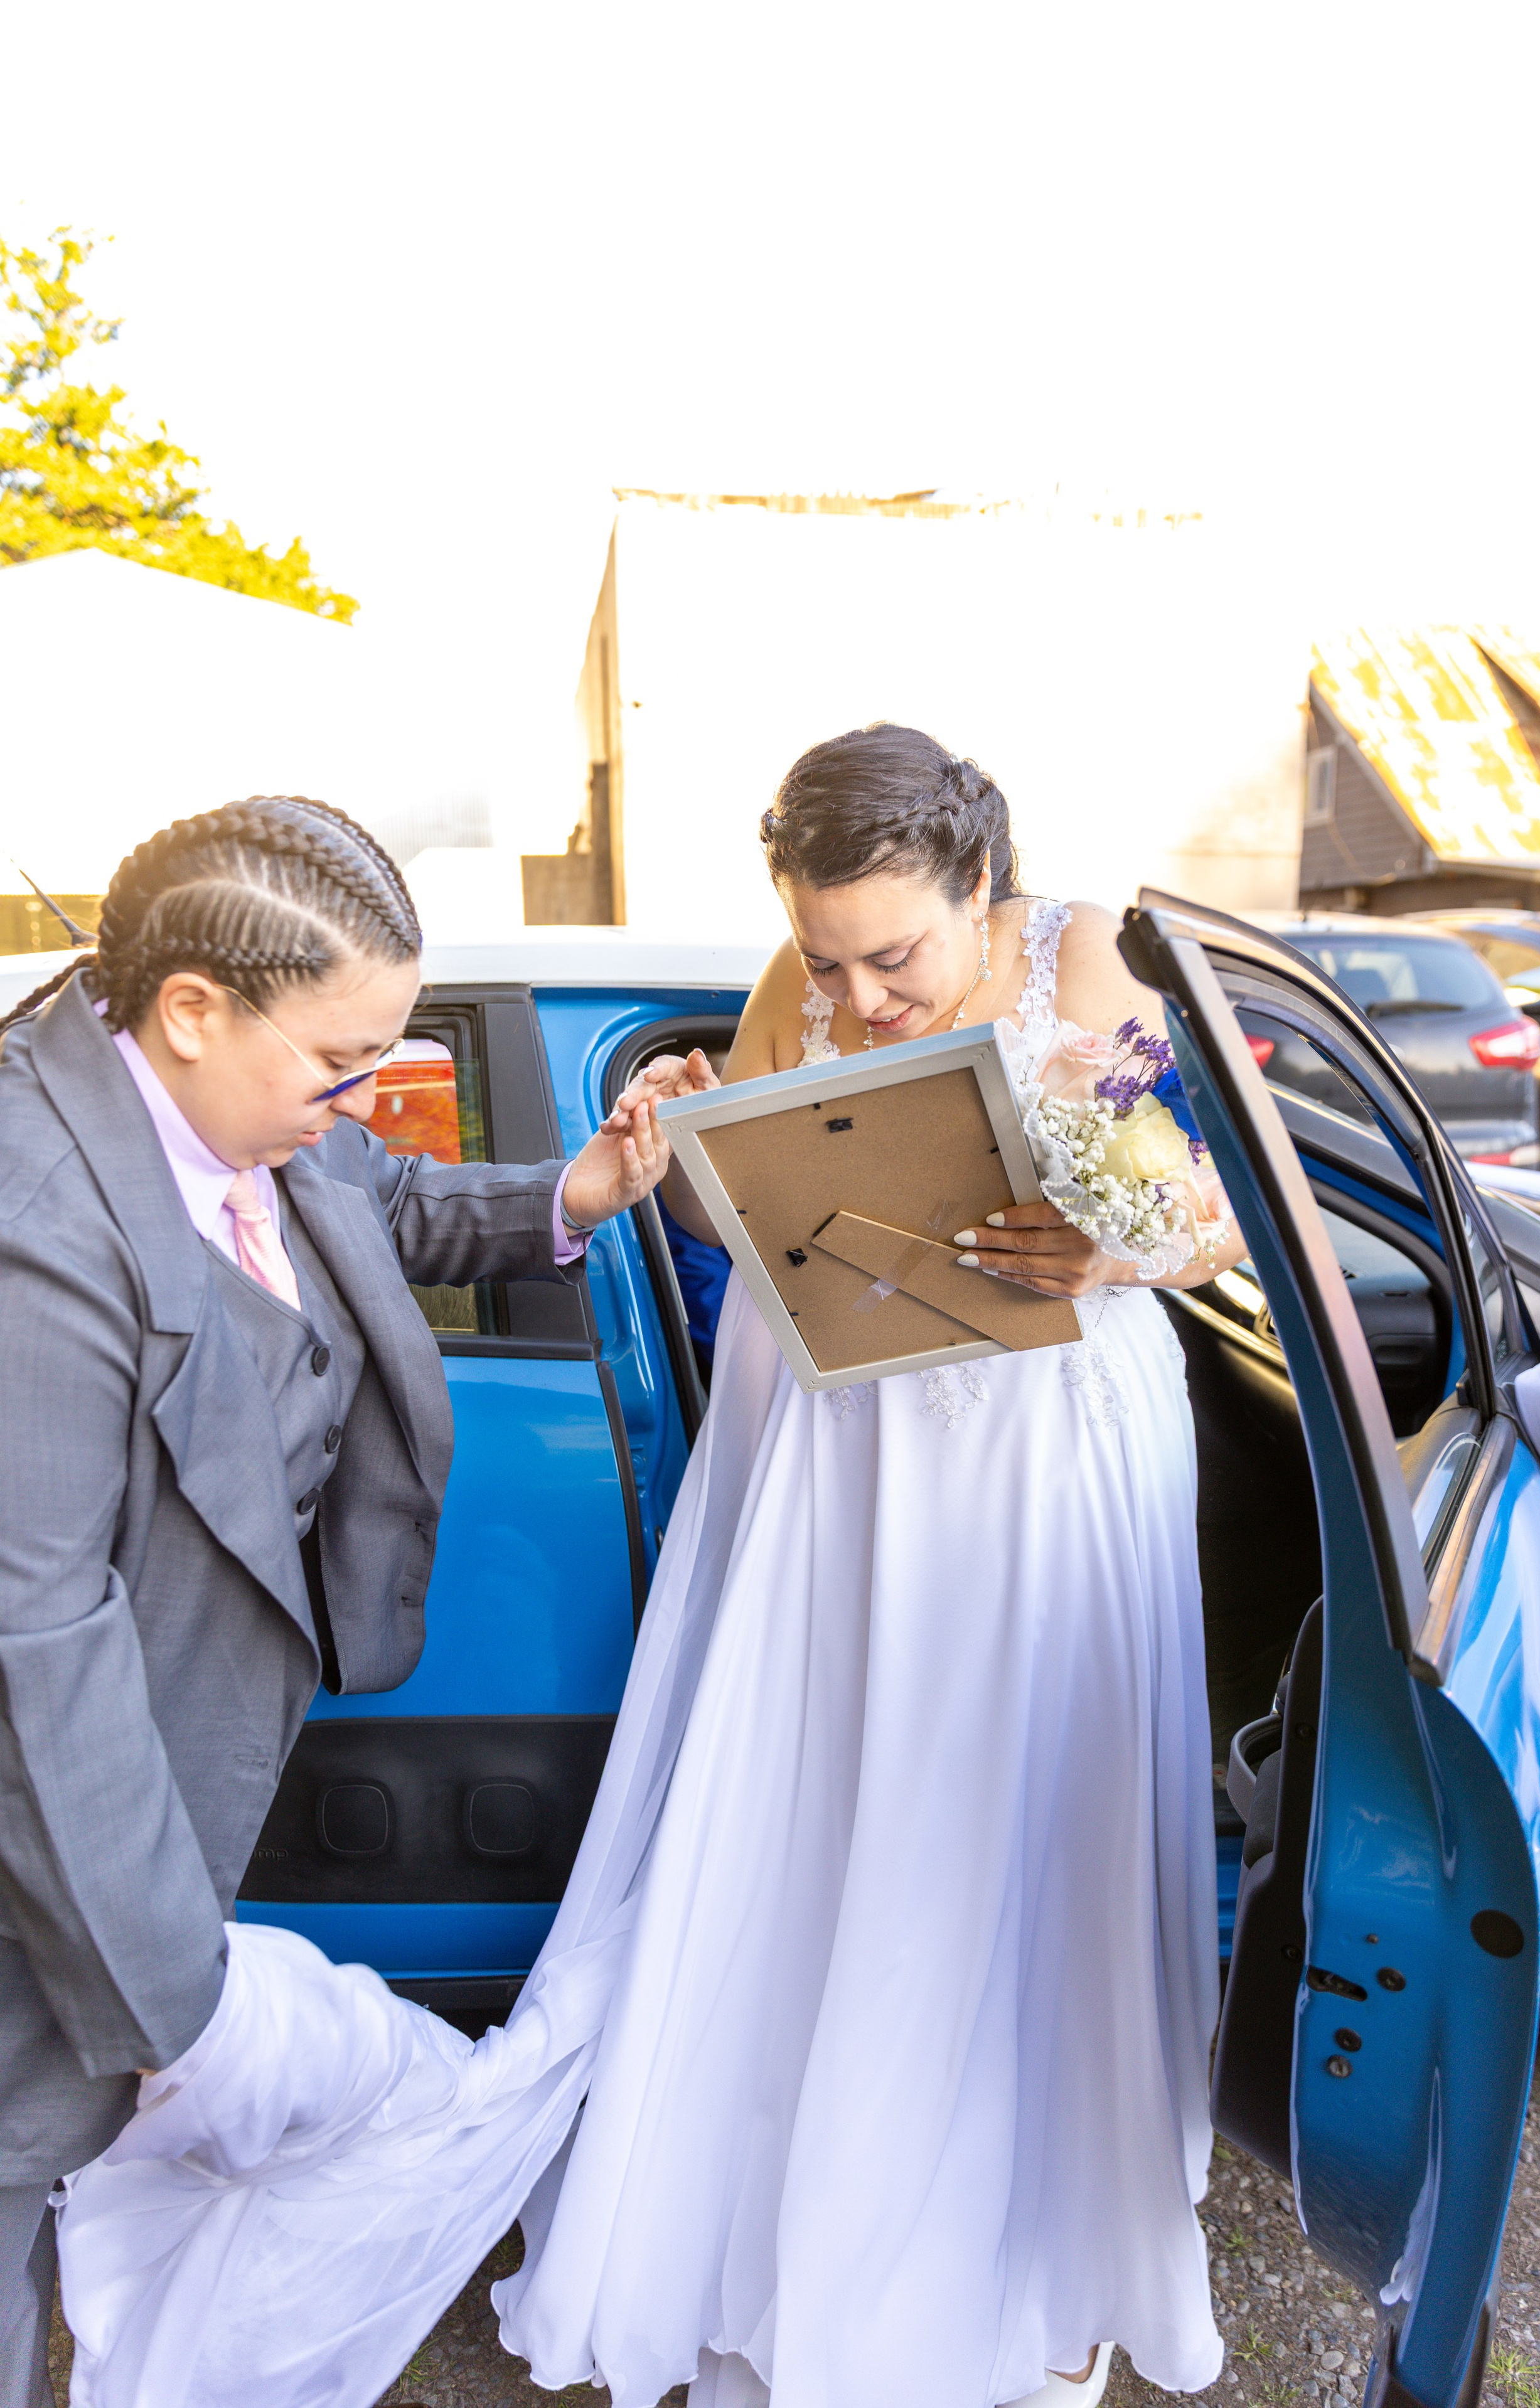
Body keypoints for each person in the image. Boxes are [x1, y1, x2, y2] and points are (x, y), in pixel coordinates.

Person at [45, 732, 1241, 2408]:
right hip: (850, 1466)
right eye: (828, 955)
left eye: (894, 954)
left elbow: (1213, 1214)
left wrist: (1115, 1232)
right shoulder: (792, 977)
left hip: (1040, 1461)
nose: (860, 991)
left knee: (1019, 1819)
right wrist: (689, 1144)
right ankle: (813, 2201)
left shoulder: (1090, 954)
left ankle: (1025, 2233)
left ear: (987, 887)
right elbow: (736, 1218)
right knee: (847, 1819)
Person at [0, 795, 670, 2408]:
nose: (357, 1104)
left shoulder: (217, 1103)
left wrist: (574, 1193)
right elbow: (38, 1648)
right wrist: (174, 2002)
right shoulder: (33, 1228)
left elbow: (376, 1194)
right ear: (189, 1007)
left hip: (175, 1742)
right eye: (336, 1064)